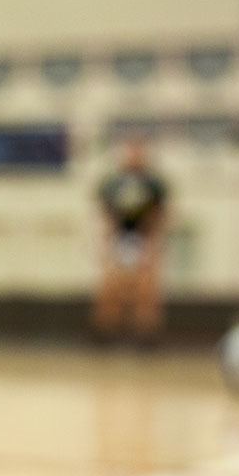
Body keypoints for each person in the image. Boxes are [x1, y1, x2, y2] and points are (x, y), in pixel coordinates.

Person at [93, 136, 168, 344]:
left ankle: (146, 338)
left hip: (145, 239)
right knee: (110, 289)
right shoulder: (112, 183)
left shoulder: (154, 183)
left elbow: (160, 214)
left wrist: (153, 243)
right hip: (119, 239)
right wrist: (107, 242)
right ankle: (104, 336)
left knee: (146, 290)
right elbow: (105, 214)